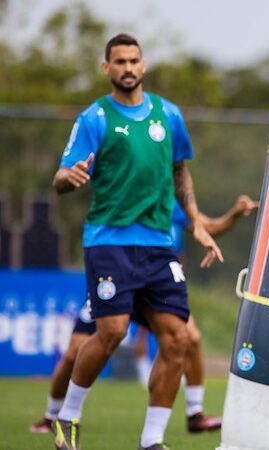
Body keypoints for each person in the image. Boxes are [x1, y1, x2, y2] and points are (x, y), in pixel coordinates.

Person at [50, 33, 223, 450]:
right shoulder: (94, 118)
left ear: (143, 66)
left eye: (133, 61)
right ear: (106, 68)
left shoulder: (169, 114)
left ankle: (151, 440)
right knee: (111, 332)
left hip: (159, 245)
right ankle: (66, 418)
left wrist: (196, 222)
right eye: (119, 62)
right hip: (109, 240)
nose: (127, 68)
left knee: (179, 338)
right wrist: (69, 177)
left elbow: (180, 171)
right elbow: (59, 178)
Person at [29, 195, 257, 436]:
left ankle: (193, 414)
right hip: (118, 273)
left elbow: (206, 226)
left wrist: (234, 213)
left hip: (154, 279)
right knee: (75, 352)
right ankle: (52, 415)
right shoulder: (125, 194)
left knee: (189, 338)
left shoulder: (169, 201)